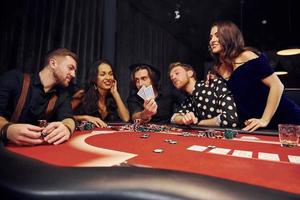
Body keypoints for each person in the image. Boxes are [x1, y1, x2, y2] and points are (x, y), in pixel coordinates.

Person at [209, 20, 300, 131]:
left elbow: (277, 86)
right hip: (255, 126)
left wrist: (264, 119)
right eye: (211, 37)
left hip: (286, 119)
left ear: (229, 37)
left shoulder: (246, 56)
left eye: (217, 36)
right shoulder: (218, 68)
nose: (212, 40)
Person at [0, 48, 78, 145]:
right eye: (70, 68)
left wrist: (67, 128)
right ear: (53, 63)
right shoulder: (14, 79)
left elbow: (68, 117)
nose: (74, 75)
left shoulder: (62, 94)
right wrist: (7, 129)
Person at [169, 62, 239, 128]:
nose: (173, 77)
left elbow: (231, 119)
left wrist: (200, 123)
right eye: (171, 77)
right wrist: (183, 119)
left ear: (190, 73)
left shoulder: (214, 84)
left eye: (177, 73)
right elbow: (173, 118)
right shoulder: (188, 99)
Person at [72, 59, 130, 127]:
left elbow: (126, 119)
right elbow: (63, 116)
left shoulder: (113, 97)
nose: (108, 78)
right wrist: (85, 118)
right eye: (103, 74)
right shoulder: (82, 94)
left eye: (110, 74)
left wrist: (115, 94)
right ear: (94, 78)